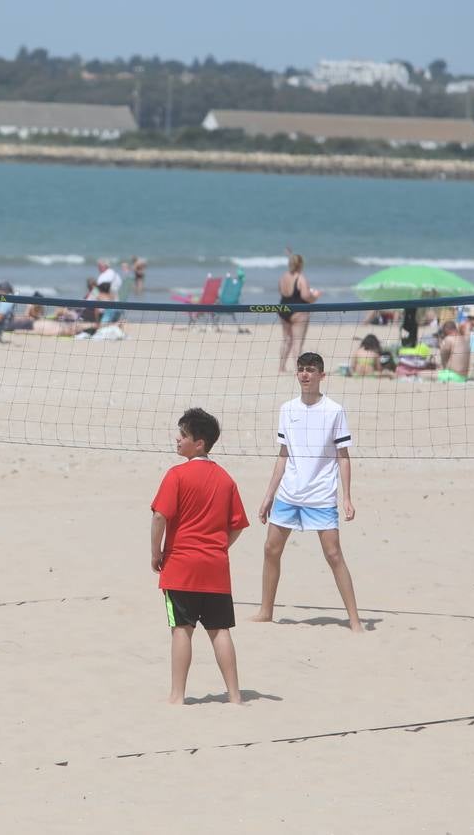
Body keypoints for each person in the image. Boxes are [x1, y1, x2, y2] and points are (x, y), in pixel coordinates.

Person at [254, 352, 362, 632]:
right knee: (270, 549)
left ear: (321, 376)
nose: (304, 374)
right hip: (289, 494)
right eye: (301, 370)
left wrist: (346, 497)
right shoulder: (287, 409)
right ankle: (266, 612)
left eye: (310, 370)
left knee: (334, 555)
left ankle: (354, 620)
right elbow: (283, 454)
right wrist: (268, 496)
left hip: (321, 495)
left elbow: (343, 456)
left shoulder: (334, 410)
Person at [150, 408, 249, 705]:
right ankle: (235, 696)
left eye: (183, 435)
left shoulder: (176, 474)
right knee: (220, 631)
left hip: (181, 565)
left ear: (200, 443)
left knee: (181, 629)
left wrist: (156, 553)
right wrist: (218, 548)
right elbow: (238, 526)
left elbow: (159, 518)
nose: (177, 439)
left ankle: (177, 696)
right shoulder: (225, 478)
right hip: (215, 566)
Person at [276, 253, 320, 372]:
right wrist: (315, 296)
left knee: (286, 339)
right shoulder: (300, 278)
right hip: (298, 311)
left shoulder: (283, 277)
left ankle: (281, 367)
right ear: (300, 264)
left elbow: (281, 290)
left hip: (283, 309)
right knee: (297, 341)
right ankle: (297, 369)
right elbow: (306, 296)